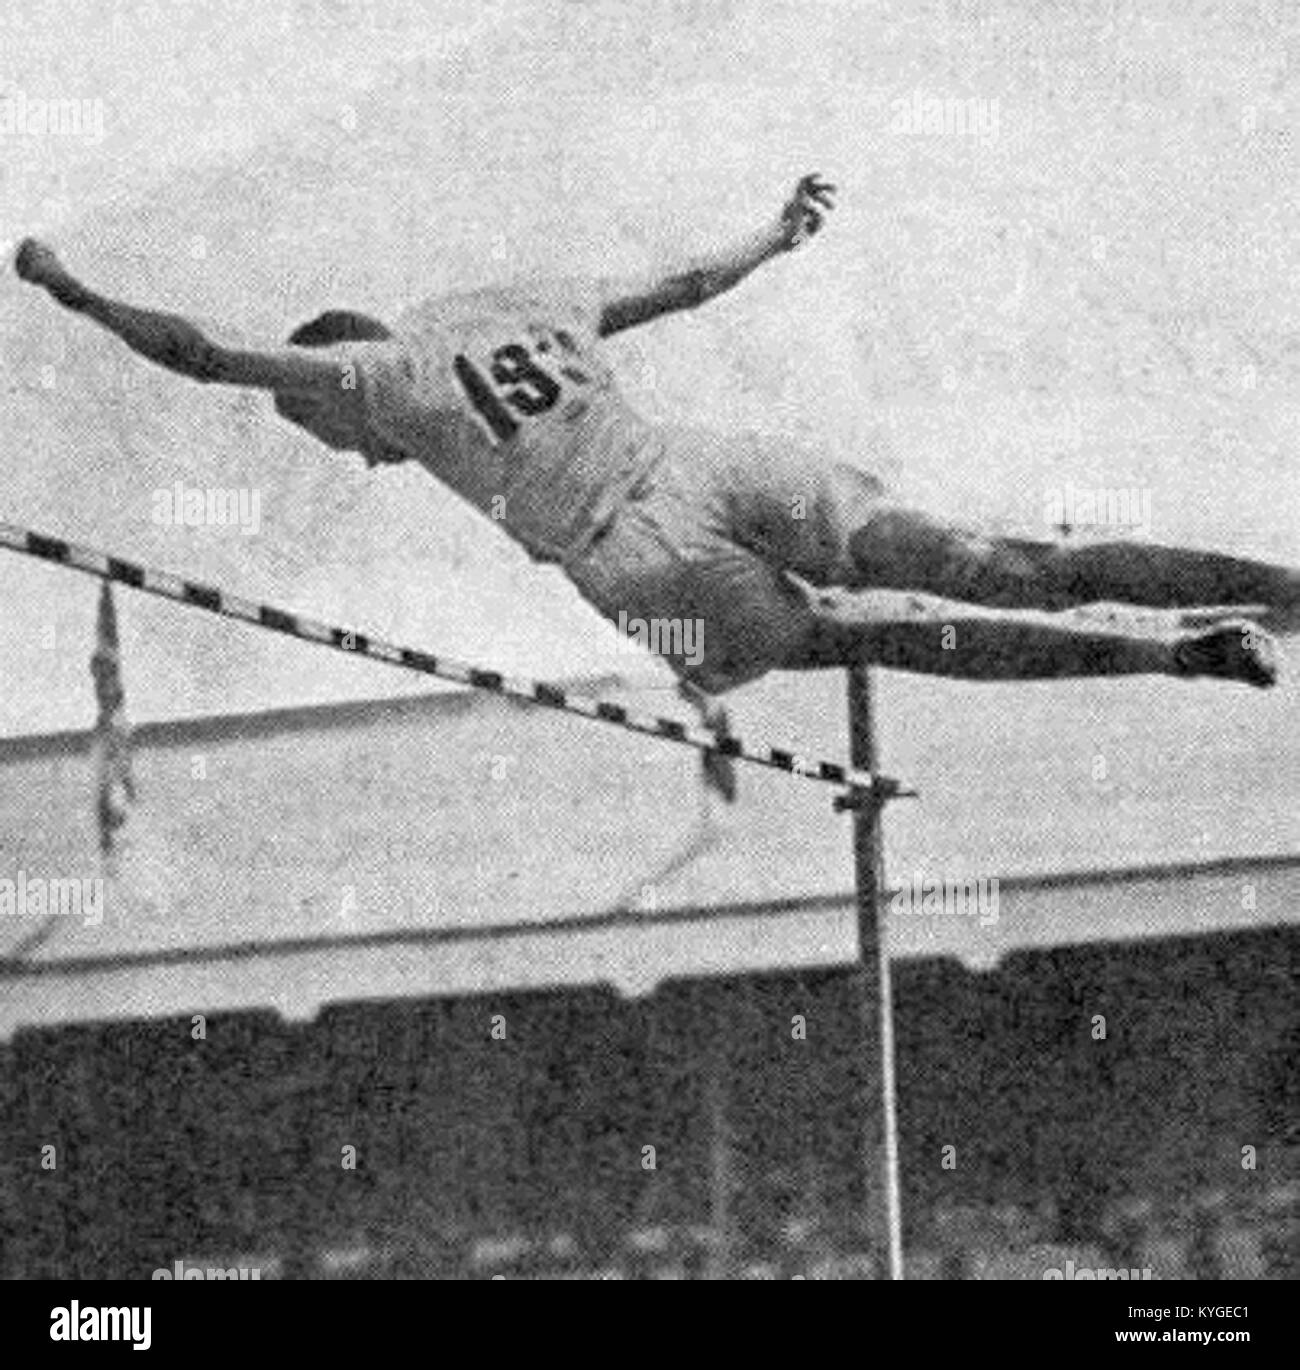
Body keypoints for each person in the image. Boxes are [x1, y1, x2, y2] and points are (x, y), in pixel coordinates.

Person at [15, 175, 1293, 802]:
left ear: (331, 377)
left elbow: (200, 354)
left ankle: (1173, 659)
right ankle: (1273, 595)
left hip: (635, 558)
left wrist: (71, 289)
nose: (349, 454)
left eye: (328, 435)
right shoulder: (516, 295)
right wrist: (777, 230)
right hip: (705, 458)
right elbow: (686, 285)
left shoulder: (370, 371)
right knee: (1003, 559)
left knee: (888, 638)